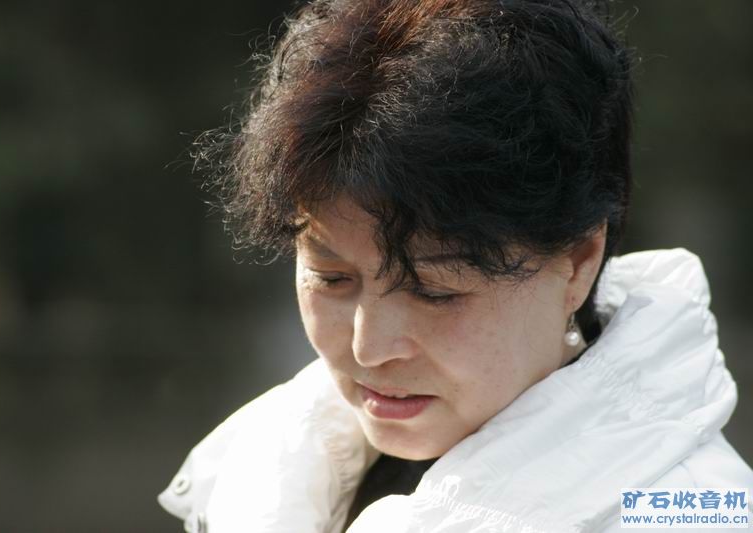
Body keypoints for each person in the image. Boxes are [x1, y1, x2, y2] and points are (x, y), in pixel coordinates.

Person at [159, 0, 753, 531]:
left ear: (578, 262)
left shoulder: (688, 512)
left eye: (433, 290)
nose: (370, 347)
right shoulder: (269, 461)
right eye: (331, 278)